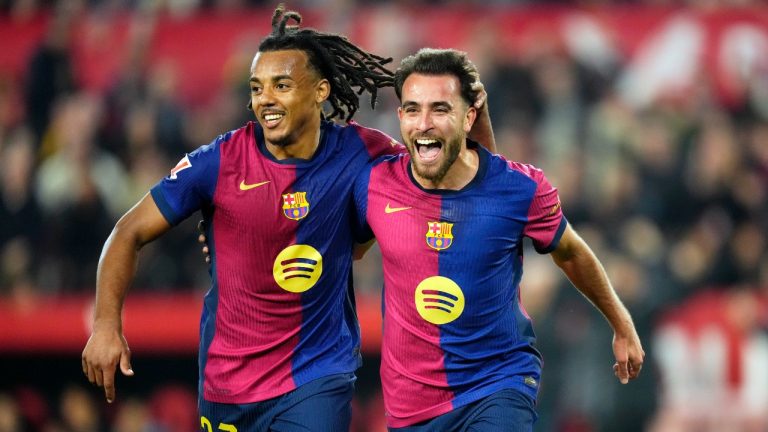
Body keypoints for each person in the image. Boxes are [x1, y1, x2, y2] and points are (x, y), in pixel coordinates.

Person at [81, 5, 493, 432]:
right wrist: (106, 325)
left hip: (316, 376)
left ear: (320, 91)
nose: (266, 100)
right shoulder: (218, 162)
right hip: (228, 383)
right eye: (257, 88)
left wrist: (475, 114)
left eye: (281, 85)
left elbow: (463, 174)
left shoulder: (363, 150)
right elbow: (127, 232)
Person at [350, 48, 645, 431]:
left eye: (440, 109)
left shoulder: (520, 188)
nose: (423, 123)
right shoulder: (375, 185)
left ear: (468, 116)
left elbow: (571, 253)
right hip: (411, 404)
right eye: (412, 109)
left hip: (498, 384)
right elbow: (347, 253)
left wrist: (621, 322)